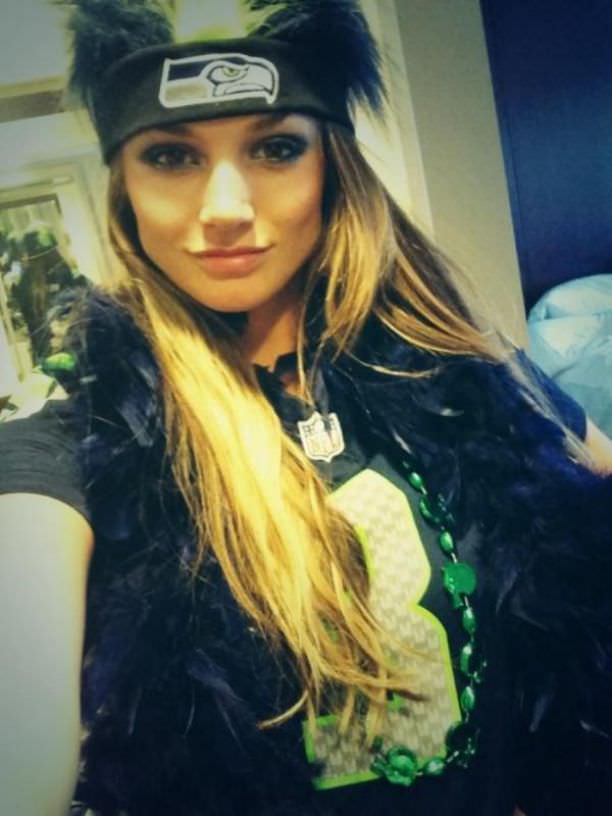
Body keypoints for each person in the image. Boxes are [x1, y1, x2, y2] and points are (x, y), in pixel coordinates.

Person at [1, 2, 612, 814]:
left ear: (332, 169)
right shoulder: (75, 445)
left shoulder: (467, 378)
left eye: (275, 148)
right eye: (172, 156)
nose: (224, 206)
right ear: (126, 192)